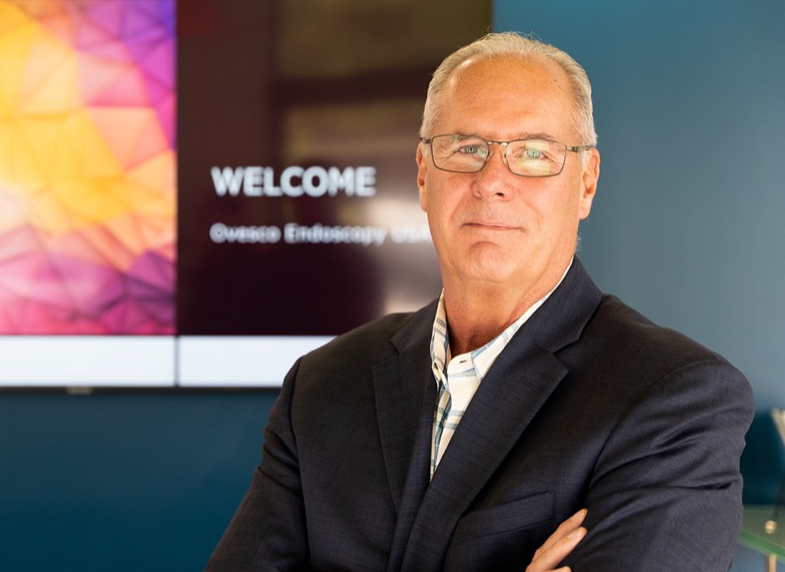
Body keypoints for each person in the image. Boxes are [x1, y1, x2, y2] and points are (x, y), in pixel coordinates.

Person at [206, 32, 754, 571]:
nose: (493, 180)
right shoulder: (322, 385)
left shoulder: (676, 400)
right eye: (466, 148)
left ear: (586, 182)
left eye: (534, 153)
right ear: (423, 175)